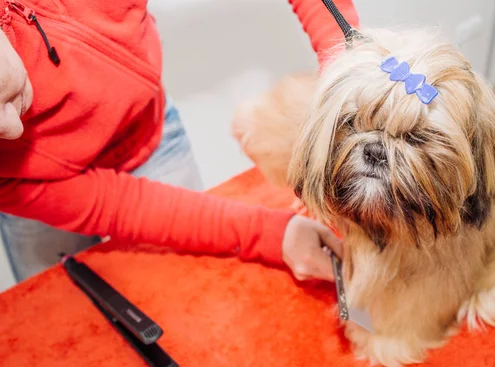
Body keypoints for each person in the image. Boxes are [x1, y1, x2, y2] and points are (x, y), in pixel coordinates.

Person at [0, 0, 358, 284]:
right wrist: (270, 233)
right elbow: (118, 206)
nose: (12, 129)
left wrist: (352, 65)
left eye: (4, 103)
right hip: (37, 206)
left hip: (150, 134)